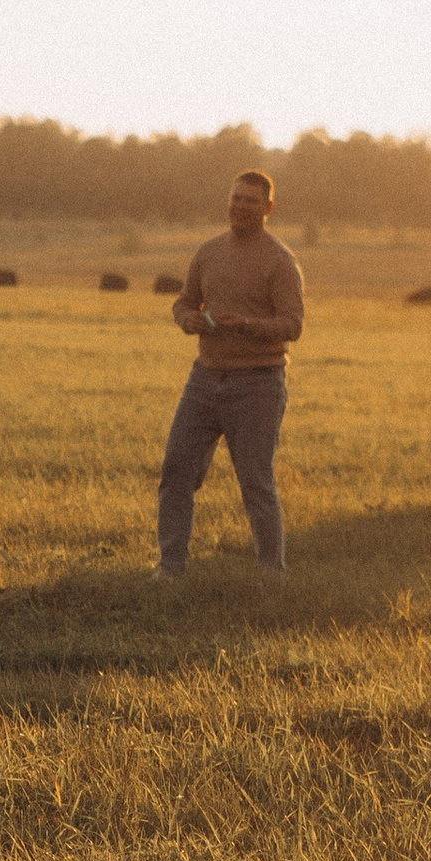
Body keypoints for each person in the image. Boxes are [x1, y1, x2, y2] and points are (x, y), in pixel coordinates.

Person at [154, 166, 304, 576]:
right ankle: (170, 569)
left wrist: (248, 326)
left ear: (268, 207)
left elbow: (293, 325)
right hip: (204, 379)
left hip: (258, 384)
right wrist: (188, 320)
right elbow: (184, 302)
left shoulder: (280, 261)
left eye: (250, 200)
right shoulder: (208, 252)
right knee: (176, 471)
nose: (240, 206)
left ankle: (271, 573)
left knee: (256, 481)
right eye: (235, 198)